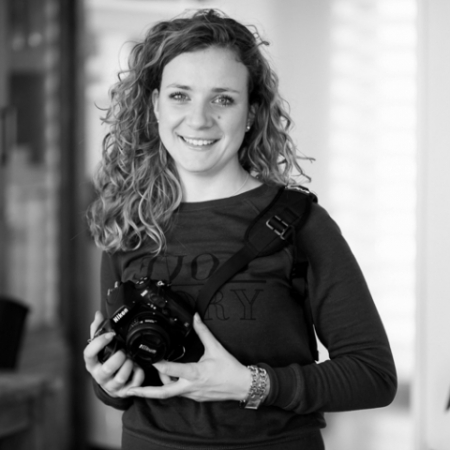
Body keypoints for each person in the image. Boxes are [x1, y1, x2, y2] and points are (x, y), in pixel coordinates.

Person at [84, 8, 397, 450]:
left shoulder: (299, 222)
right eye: (180, 96)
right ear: (154, 105)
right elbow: (122, 387)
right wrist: (107, 380)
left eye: (223, 99)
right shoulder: (129, 221)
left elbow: (374, 376)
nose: (198, 119)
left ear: (250, 113)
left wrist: (251, 385)